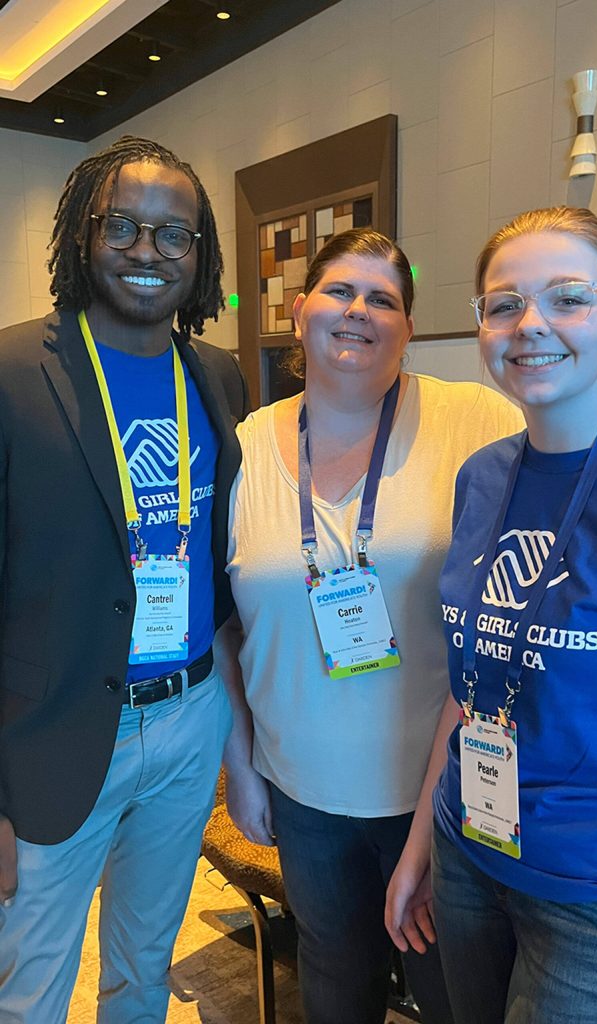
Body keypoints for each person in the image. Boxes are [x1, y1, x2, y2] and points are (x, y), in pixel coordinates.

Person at [218, 228, 523, 1024]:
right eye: (339, 292)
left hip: (441, 790)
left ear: (408, 329)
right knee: (333, 983)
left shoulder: (472, 421)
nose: (358, 310)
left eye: (383, 299)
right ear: (300, 314)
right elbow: (221, 622)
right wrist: (242, 764)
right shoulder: (244, 445)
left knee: (451, 996)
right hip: (302, 790)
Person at [386, 207, 597, 1023]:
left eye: (566, 299)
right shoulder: (483, 476)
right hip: (468, 852)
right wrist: (419, 846)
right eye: (503, 303)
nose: (530, 325)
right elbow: (471, 684)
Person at [0, 136, 248, 1023]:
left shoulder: (215, 375)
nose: (148, 251)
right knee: (27, 989)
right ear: (83, 235)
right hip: (49, 734)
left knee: (142, 972)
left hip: (187, 724)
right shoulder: (13, 371)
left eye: (173, 235)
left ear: (200, 254)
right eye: (124, 228)